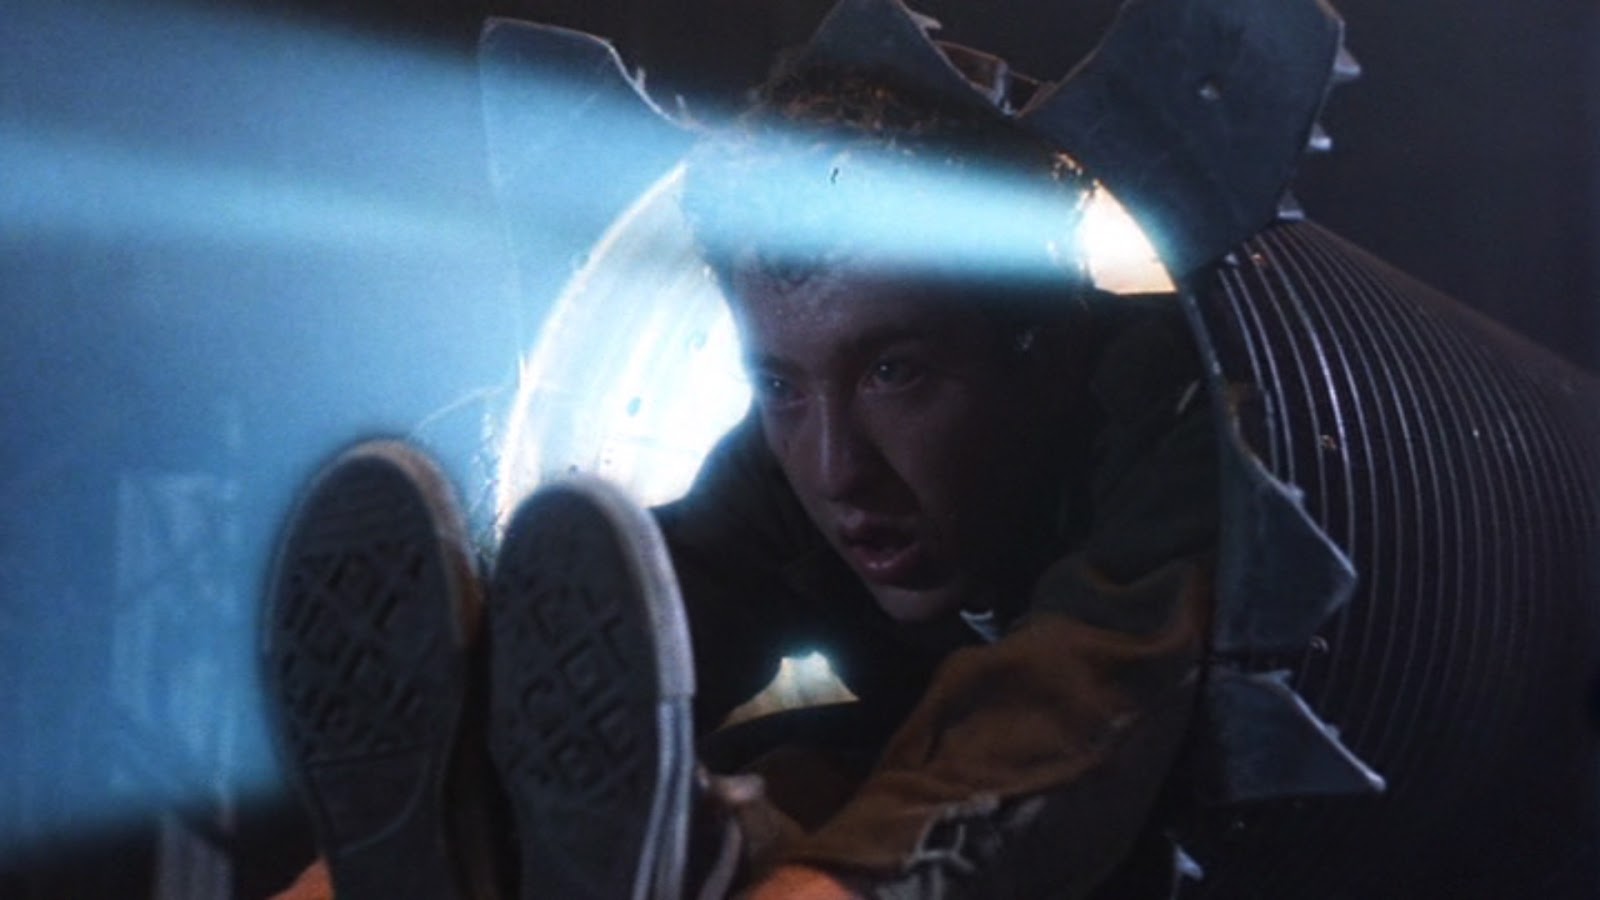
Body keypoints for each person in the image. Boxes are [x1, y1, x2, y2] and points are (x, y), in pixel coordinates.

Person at [265, 39, 1218, 900]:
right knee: (765, 772)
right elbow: (649, 629)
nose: (837, 470)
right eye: (780, 384)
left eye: (894, 372)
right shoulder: (787, 467)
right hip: (911, 755)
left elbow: (1072, 699)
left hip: (1188, 820)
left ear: (1043, 342)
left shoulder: (1174, 418)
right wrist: (367, 867)